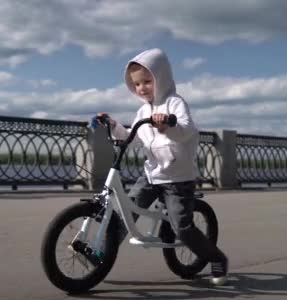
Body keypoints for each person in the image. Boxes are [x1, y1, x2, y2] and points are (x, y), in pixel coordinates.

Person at [96, 48, 229, 285]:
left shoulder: (175, 103)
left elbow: (187, 131)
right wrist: (113, 125)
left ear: (161, 78)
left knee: (182, 228)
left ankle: (216, 257)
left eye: (147, 81)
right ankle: (103, 254)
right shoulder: (143, 110)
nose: (142, 88)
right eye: (137, 84)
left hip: (178, 177)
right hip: (152, 174)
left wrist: (168, 126)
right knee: (127, 211)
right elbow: (131, 138)